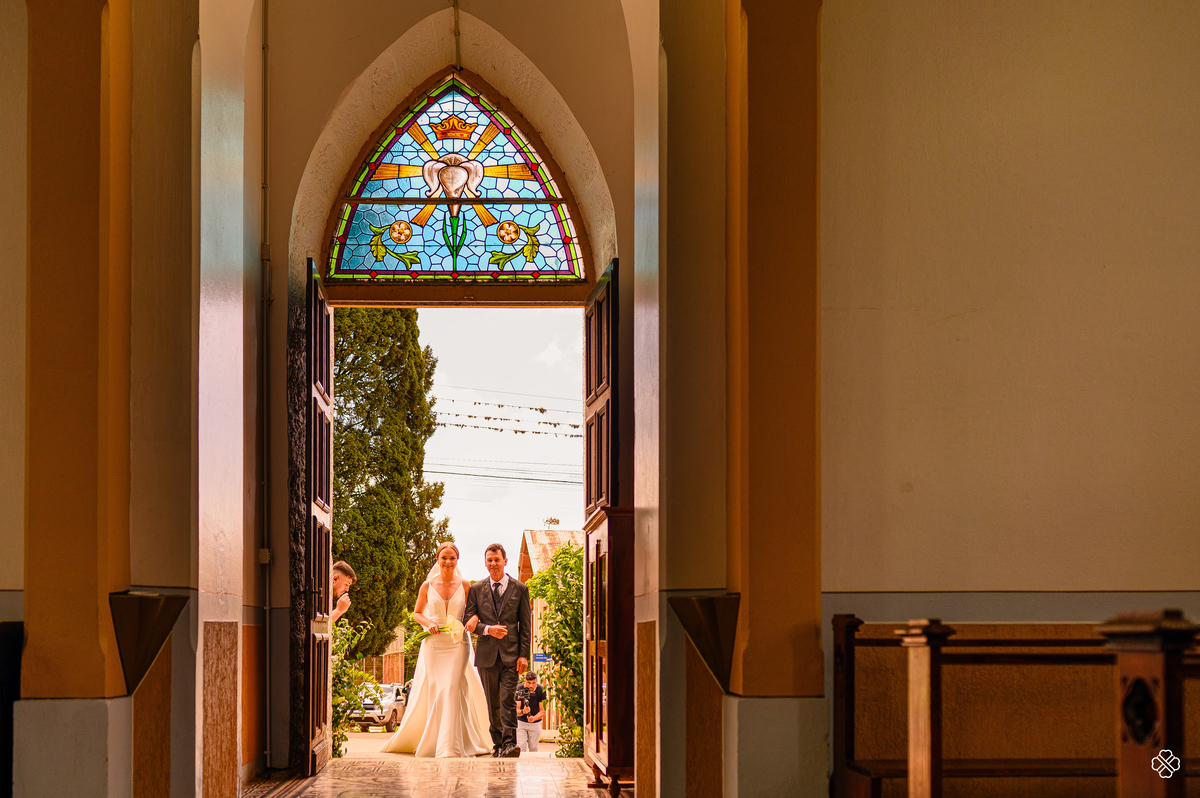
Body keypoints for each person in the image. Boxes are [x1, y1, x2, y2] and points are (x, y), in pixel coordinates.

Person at [379, 542, 493, 757]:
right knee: (437, 688)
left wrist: (473, 620)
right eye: (444, 558)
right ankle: (434, 740)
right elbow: (417, 613)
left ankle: (451, 745)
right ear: (437, 560)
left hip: (458, 643)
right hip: (433, 643)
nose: (448, 562)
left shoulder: (466, 585)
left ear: (457, 560)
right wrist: (428, 622)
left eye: (452, 558)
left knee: (452, 686)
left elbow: (474, 612)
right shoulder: (427, 585)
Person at [463, 543, 532, 758]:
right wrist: (488, 629)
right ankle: (498, 744)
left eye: (497, 560)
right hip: (486, 655)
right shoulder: (476, 589)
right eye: (490, 560)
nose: (493, 563)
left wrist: (523, 655)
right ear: (485, 563)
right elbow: (468, 620)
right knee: (492, 702)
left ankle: (510, 743)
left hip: (511, 655)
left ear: (505, 561)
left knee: (507, 699)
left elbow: (526, 625)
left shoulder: (520, 588)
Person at [515, 671, 547, 752]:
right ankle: (521, 764)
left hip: (535, 723)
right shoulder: (519, 689)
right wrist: (523, 712)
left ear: (536, 681)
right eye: (529, 683)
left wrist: (534, 718)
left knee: (533, 748)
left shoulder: (541, 690)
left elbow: (543, 711)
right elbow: (516, 709)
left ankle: (533, 764)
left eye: (533, 683)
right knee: (521, 747)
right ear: (525, 681)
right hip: (521, 722)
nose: (531, 686)